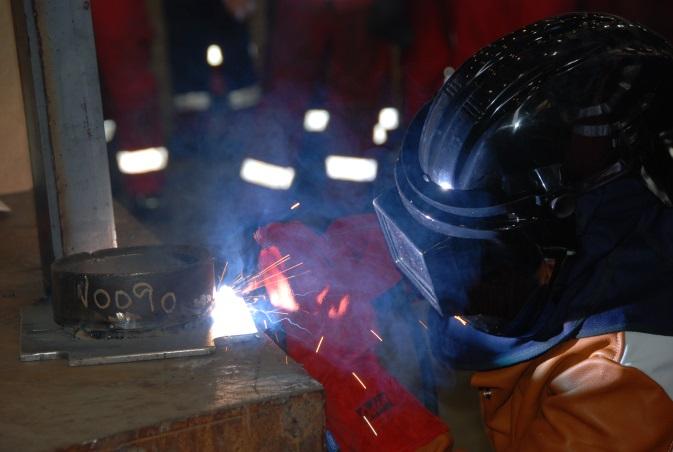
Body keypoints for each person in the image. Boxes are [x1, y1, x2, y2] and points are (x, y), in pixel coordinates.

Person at [373, 12, 673, 450]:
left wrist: (384, 428)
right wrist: (340, 256)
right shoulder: (575, 231)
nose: (458, 301)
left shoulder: (624, 374)